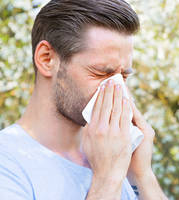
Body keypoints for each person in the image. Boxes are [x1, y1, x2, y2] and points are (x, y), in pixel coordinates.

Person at [0, 0, 168, 199]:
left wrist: (142, 176)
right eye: (101, 73)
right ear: (46, 59)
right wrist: (107, 179)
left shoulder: (113, 153)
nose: (119, 90)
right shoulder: (8, 163)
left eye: (123, 76)